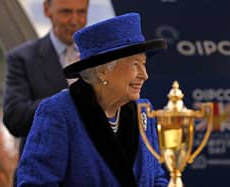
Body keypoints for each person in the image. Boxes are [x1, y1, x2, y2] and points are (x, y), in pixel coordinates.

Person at [16, 12, 168, 187]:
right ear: (103, 71)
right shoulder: (59, 112)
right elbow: (35, 184)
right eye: (135, 64)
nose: (145, 75)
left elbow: (157, 178)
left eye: (144, 64)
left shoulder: (144, 111)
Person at [3, 0, 89, 145]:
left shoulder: (100, 58)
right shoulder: (22, 58)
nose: (74, 21)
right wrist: (69, 97)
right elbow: (14, 119)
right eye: (66, 12)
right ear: (46, 10)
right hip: (44, 163)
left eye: (81, 12)